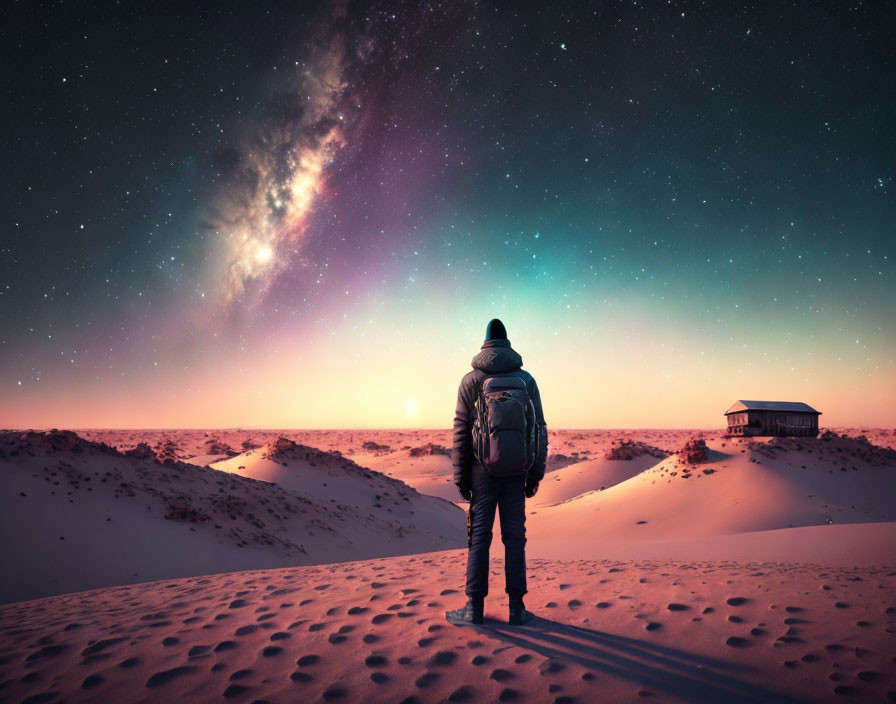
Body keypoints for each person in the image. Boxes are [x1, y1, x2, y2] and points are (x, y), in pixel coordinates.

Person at [446, 318, 547, 625]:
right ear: (508, 343)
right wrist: (535, 473)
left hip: (481, 471)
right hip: (517, 471)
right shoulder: (526, 380)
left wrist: (461, 477)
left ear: (485, 342)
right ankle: (516, 608)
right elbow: (539, 428)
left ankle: (473, 608)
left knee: (480, 537)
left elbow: (461, 430)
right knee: (515, 538)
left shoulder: (470, 380)